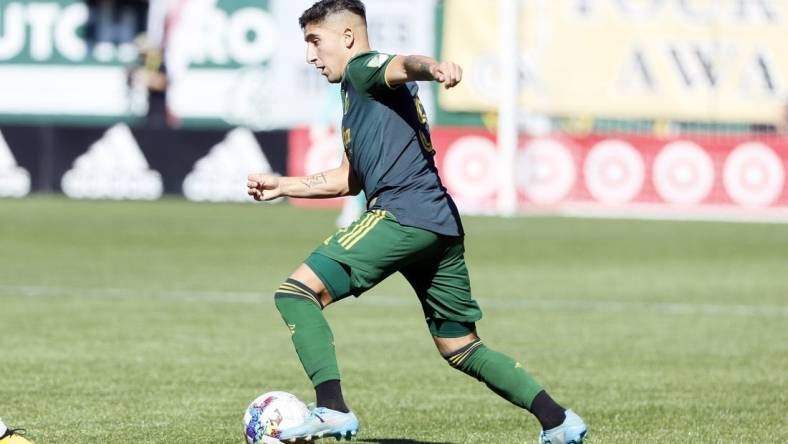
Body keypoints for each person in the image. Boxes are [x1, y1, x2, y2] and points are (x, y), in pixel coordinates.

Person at [246, 1, 587, 443]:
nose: (310, 55)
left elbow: (404, 64)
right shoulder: (361, 98)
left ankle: (331, 408)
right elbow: (348, 179)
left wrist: (435, 67)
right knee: (461, 347)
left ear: (347, 37)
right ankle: (559, 421)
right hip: (439, 223)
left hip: (401, 215)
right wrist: (283, 185)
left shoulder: (363, 68)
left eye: (315, 41)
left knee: (294, 294)